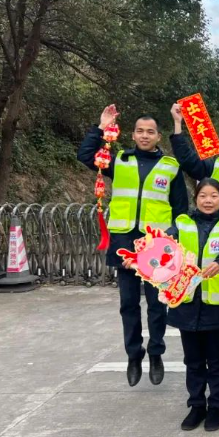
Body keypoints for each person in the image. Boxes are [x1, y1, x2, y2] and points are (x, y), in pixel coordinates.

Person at [77, 105, 187, 386]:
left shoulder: (170, 167)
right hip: (123, 240)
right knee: (128, 303)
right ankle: (133, 354)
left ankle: (156, 352)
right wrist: (101, 127)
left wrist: (170, 241)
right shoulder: (120, 160)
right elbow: (85, 155)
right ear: (133, 134)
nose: (145, 135)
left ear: (158, 136)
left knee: (155, 303)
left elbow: (180, 210)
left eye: (150, 131)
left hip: (155, 245)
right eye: (140, 131)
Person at [161, 179, 219, 432]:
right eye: (203, 196)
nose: (208, 201)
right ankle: (196, 405)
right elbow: (162, 248)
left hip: (217, 305)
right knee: (193, 360)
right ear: (195, 198)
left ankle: (216, 406)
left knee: (218, 359)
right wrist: (141, 260)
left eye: (213, 196)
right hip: (186, 302)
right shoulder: (181, 223)